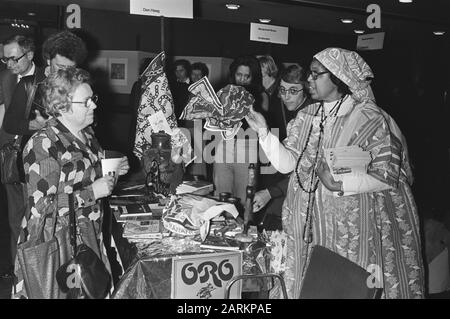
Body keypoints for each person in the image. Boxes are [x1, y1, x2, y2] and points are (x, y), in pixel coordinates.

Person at [246, 47, 424, 298]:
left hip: (349, 226)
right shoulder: (307, 115)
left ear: (338, 77)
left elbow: (388, 173)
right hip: (307, 225)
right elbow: (288, 164)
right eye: (310, 73)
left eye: (316, 74)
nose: (309, 79)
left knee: (343, 284)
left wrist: (339, 183)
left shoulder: (367, 117)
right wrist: (264, 133)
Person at [16, 67, 129, 298]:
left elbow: (84, 174)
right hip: (57, 244)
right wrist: (92, 193)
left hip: (86, 236)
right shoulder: (44, 144)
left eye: (93, 99)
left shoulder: (86, 134)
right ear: (61, 106)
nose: (94, 105)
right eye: (86, 101)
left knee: (91, 290)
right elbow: (41, 208)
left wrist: (112, 171)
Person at [0, 35, 43, 277]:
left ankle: (36, 267)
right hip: (10, 156)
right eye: (4, 58)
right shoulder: (5, 77)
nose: (8, 64)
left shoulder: (45, 79)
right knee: (14, 215)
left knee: (36, 214)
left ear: (29, 55)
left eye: (13, 59)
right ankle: (17, 269)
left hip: (39, 156)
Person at [252, 64, 313, 231]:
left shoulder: (311, 116)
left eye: (293, 91)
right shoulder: (278, 107)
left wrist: (270, 193)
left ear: (307, 89)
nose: (286, 96)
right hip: (284, 182)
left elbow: (306, 171)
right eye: (283, 90)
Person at [213, 55, 268, 207]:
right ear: (233, 75)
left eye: (247, 76)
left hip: (247, 147)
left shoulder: (260, 96)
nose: (242, 79)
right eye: (239, 75)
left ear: (253, 77)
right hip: (224, 146)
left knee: (245, 199)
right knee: (221, 198)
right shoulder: (224, 93)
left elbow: (262, 127)